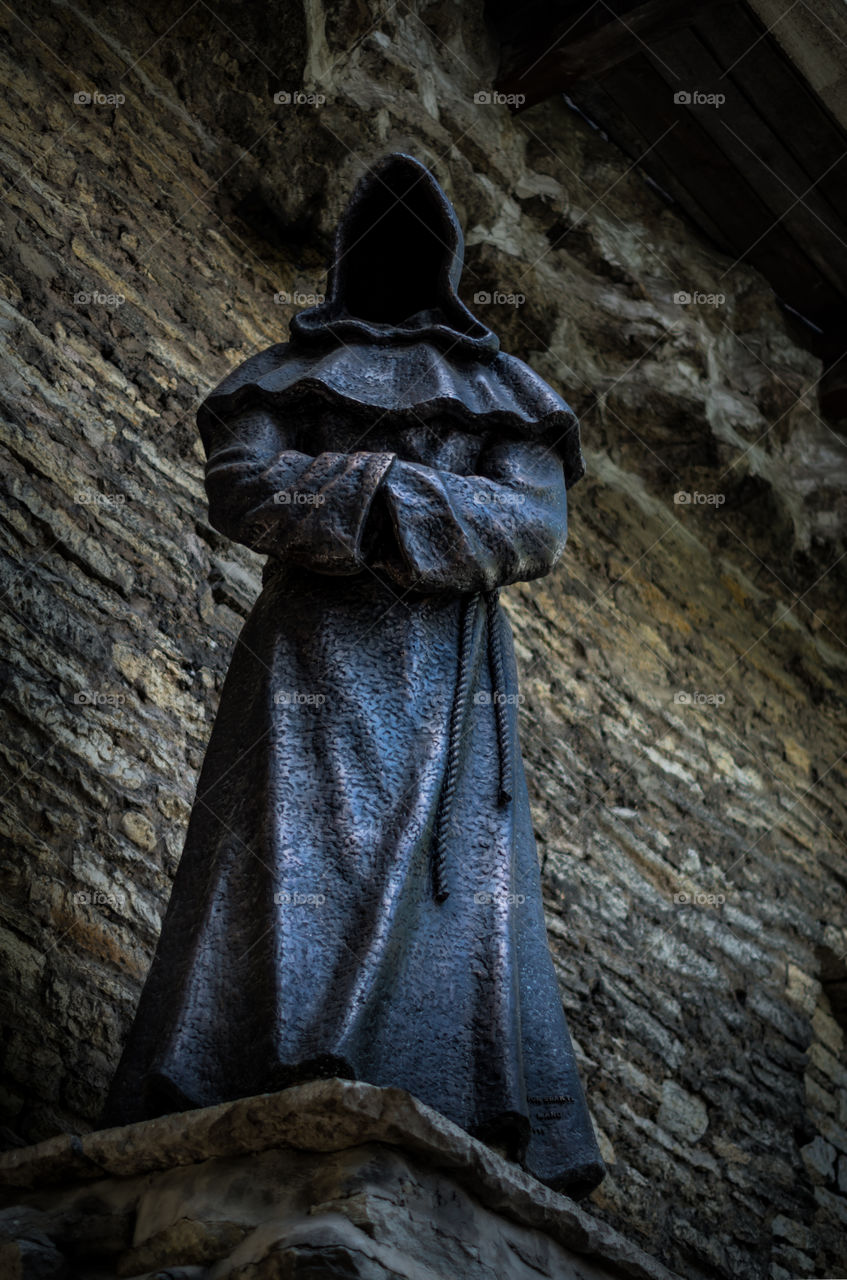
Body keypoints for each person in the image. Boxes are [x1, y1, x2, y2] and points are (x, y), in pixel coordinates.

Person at [101, 152, 605, 1199]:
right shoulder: (289, 367)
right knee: (276, 858)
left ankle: (436, 1101)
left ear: (450, 265)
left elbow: (534, 521)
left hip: (445, 683)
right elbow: (239, 483)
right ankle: (244, 1068)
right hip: (306, 664)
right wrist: (384, 489)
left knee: (452, 885)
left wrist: (382, 502)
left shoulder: (501, 390)